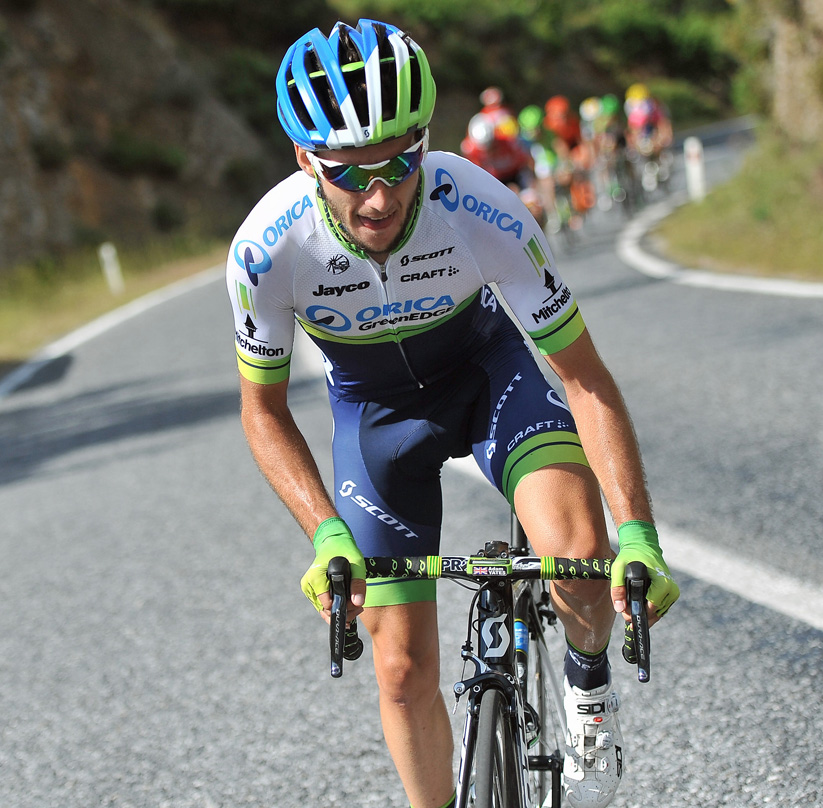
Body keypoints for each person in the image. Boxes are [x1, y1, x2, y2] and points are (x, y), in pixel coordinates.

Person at [226, 18, 679, 808]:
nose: (379, 195)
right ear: (305, 161)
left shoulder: (479, 204)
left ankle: (587, 683)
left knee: (577, 557)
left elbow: (584, 375)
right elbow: (262, 411)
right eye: (347, 173)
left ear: (426, 142)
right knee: (399, 668)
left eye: (401, 162)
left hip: (485, 375)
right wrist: (324, 531)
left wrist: (635, 529)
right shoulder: (268, 249)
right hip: (376, 420)